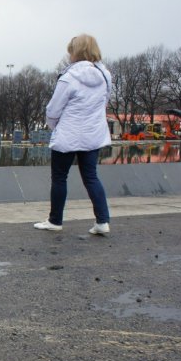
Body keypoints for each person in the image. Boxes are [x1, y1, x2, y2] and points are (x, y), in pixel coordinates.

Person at [34, 34, 112, 235]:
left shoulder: (69, 78)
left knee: (59, 177)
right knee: (91, 177)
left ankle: (55, 220)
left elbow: (53, 110)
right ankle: (102, 221)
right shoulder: (105, 77)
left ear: (75, 52)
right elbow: (103, 103)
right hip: (92, 135)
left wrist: (54, 127)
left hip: (68, 134)